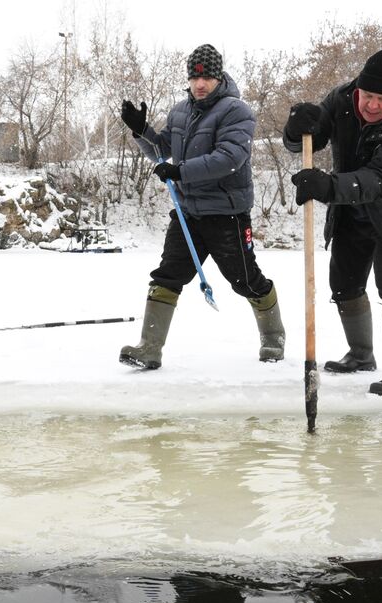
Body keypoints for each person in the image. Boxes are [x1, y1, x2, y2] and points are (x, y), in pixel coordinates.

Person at [117, 43, 285, 370]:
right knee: (168, 275)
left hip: (227, 213)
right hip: (188, 213)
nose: (200, 84)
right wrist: (141, 131)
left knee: (245, 280)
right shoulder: (181, 110)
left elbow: (230, 159)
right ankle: (149, 348)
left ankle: (274, 336)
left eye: (207, 76)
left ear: (218, 76)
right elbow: (160, 151)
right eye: (195, 77)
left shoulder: (236, 111)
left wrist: (179, 171)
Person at [283, 48, 382, 396]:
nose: (371, 105)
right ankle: (361, 354)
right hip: (351, 206)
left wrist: (328, 186)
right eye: (368, 95)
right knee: (345, 281)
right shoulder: (341, 99)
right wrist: (296, 128)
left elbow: (381, 179)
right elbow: (311, 136)